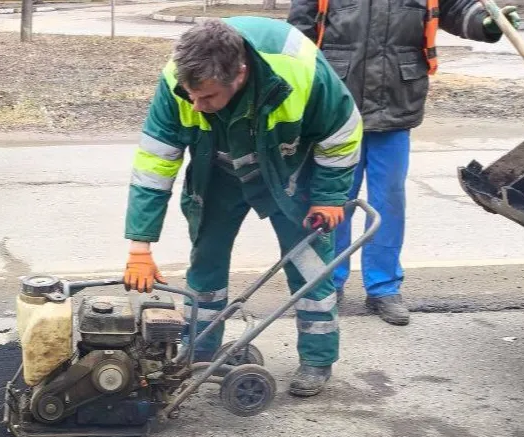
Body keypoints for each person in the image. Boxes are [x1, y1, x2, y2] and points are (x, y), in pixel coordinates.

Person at [121, 17, 363, 397]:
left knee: (310, 265)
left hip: (287, 168)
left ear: (240, 74)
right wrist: (139, 246)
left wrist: (329, 197)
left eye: (208, 97)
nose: (197, 107)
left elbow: (342, 132)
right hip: (216, 170)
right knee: (206, 263)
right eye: (191, 95)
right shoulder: (176, 82)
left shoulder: (298, 69)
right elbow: (154, 165)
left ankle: (317, 358)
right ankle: (200, 353)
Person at [287, 0, 521, 326]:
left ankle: (384, 287)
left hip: (396, 105)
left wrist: (486, 22)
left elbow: (457, 9)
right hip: (337, 106)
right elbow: (298, 36)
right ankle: (327, 280)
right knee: (333, 199)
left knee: (389, 202)